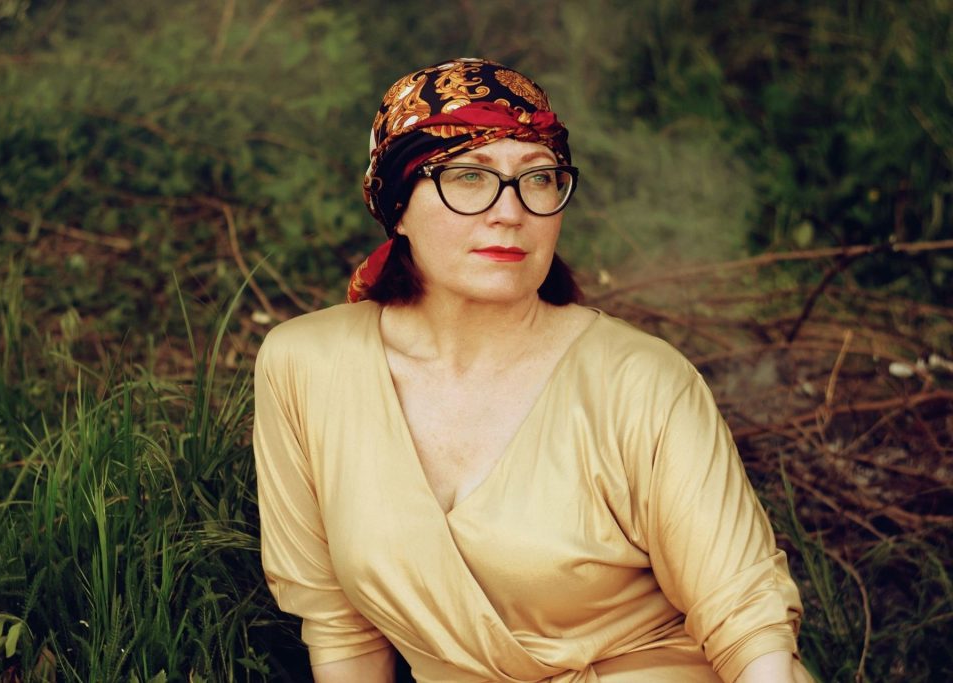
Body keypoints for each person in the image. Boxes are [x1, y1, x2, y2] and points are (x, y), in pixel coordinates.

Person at [253, 58, 810, 683]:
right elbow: (338, 624)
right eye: (468, 176)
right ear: (398, 207)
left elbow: (745, 613)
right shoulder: (306, 365)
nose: (509, 211)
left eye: (538, 178)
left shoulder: (641, 379)